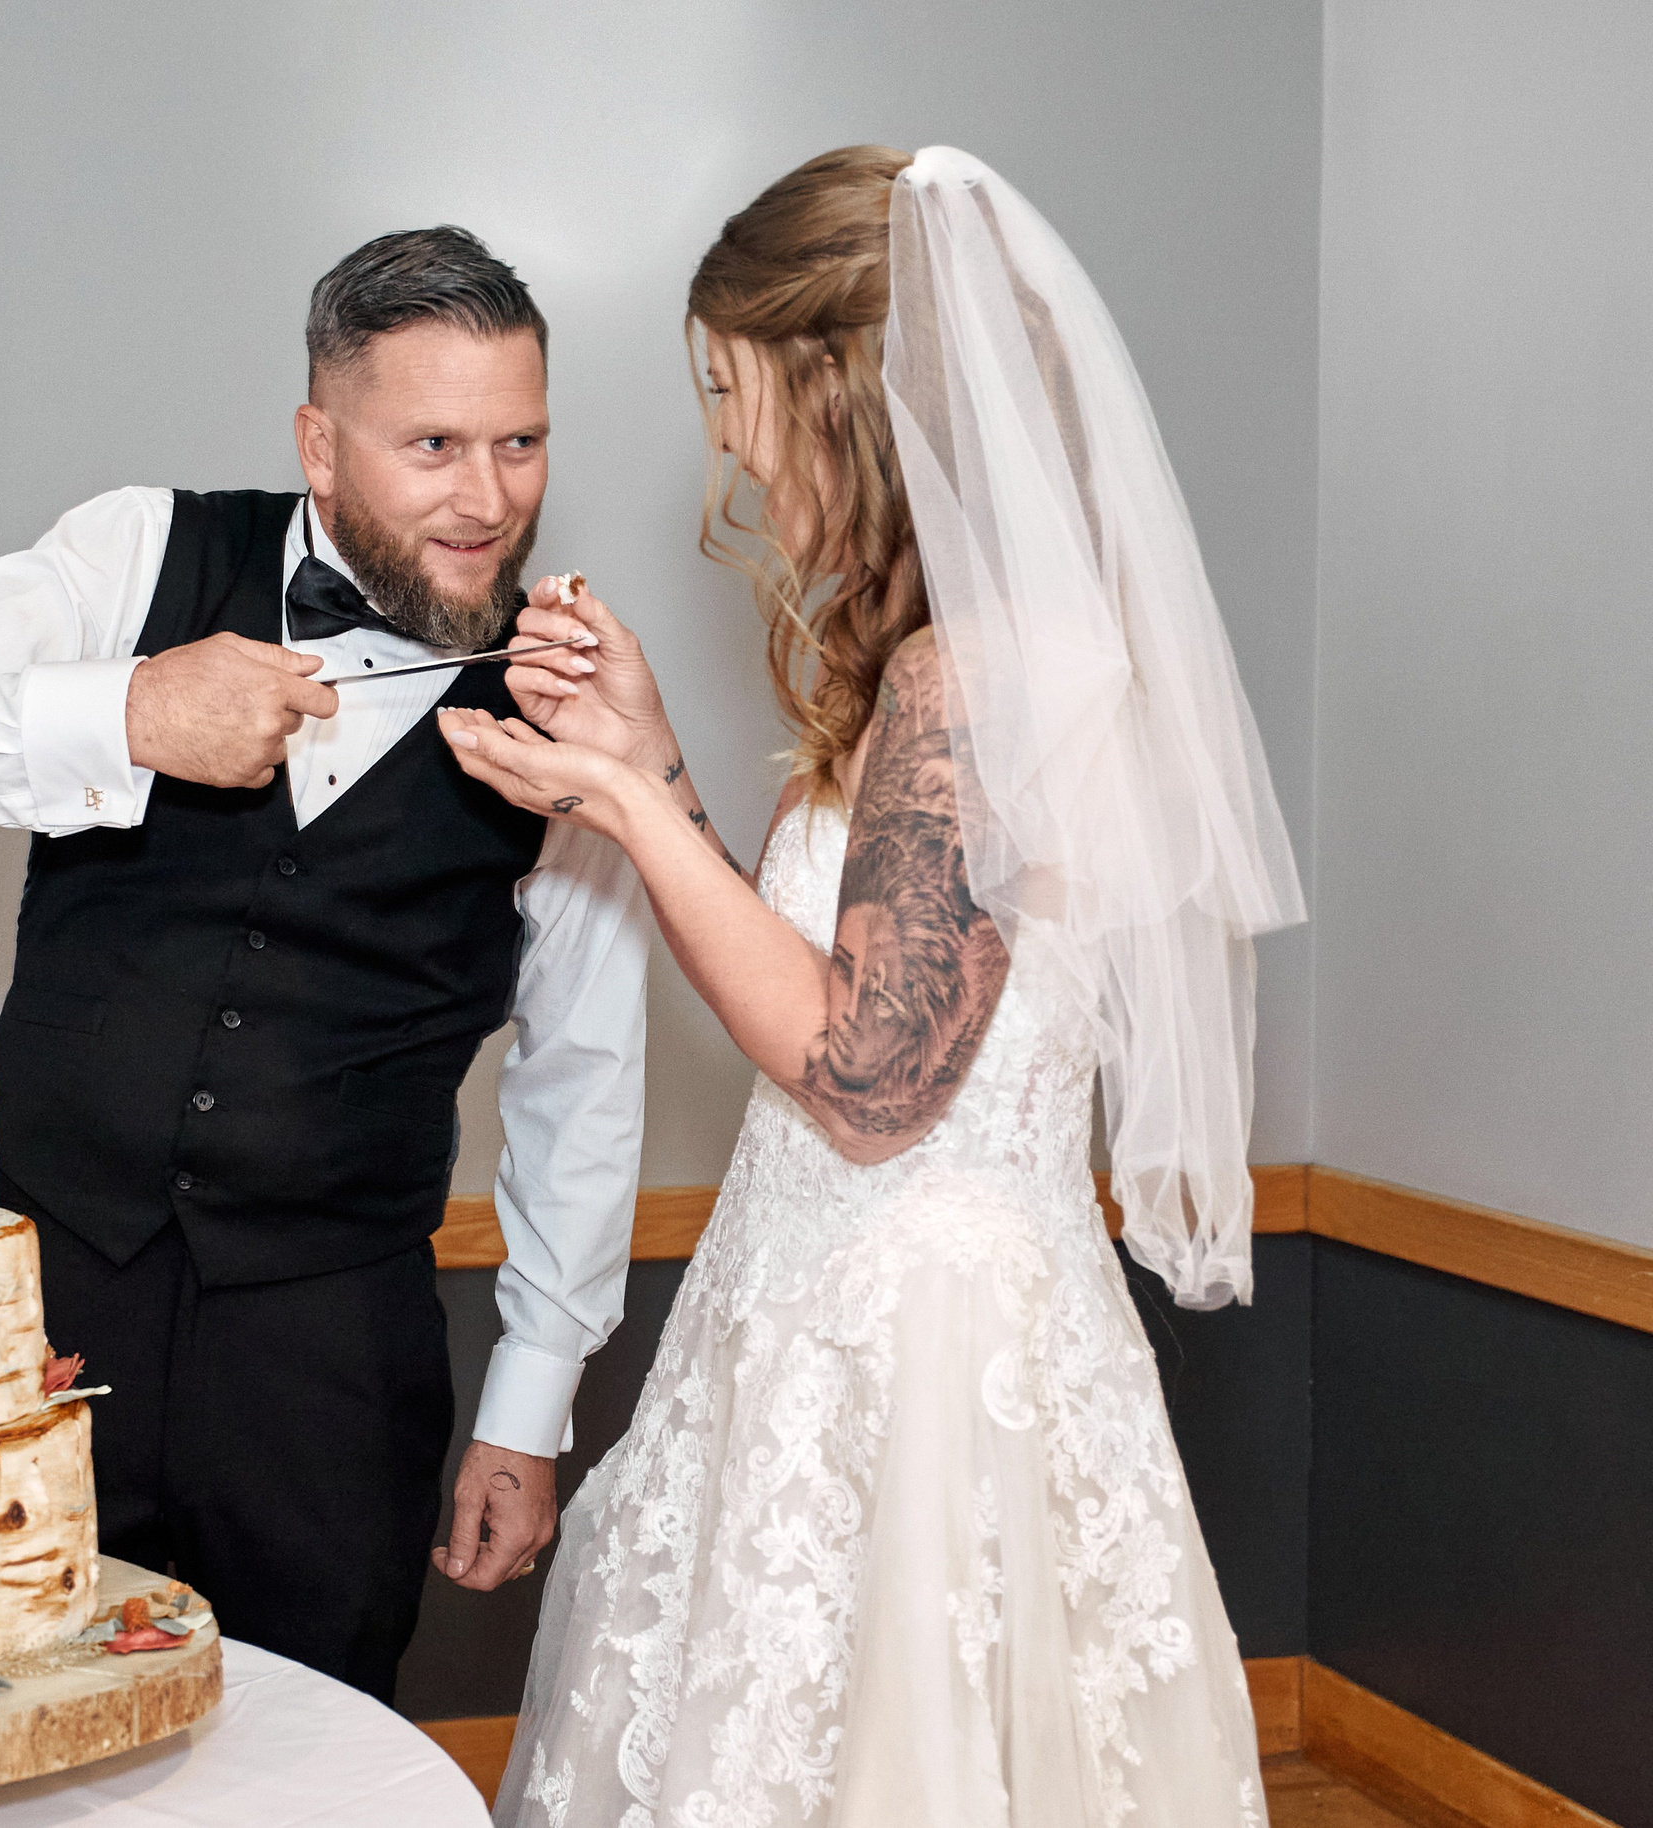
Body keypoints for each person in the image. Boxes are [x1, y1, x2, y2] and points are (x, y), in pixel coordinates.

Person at [441, 147, 1305, 1823]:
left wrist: (611, 805)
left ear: (837, 387)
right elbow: (823, 979)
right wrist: (656, 766)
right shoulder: (960, 656)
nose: (727, 443)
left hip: (918, 1347)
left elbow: (867, 1074)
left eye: (734, 388)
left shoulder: (969, 679)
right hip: (843, 1290)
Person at [0, 227, 652, 1703]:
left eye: (521, 442)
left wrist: (530, 1405)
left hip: (331, 1371)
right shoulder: (137, 552)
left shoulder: (575, 701)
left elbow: (586, 1071)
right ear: (320, 442)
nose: (487, 497)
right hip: (33, 1330)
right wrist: (120, 713)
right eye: (432, 442)